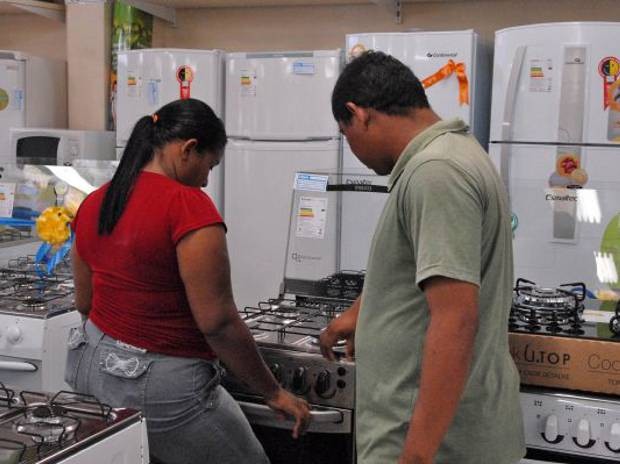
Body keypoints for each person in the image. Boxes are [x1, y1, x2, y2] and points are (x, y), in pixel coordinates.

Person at [66, 98, 311, 464]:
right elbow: (218, 323)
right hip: (158, 384)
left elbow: (84, 303)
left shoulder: (98, 200)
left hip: (90, 371)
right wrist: (272, 392)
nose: (207, 178)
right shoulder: (188, 206)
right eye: (209, 165)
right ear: (188, 149)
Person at [319, 51, 525, 464]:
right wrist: (363, 311)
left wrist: (415, 456)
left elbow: (455, 318)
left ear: (357, 114)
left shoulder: (437, 172)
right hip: (449, 436)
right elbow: (432, 269)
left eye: (346, 134)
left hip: (430, 443)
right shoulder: (454, 155)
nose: (352, 148)